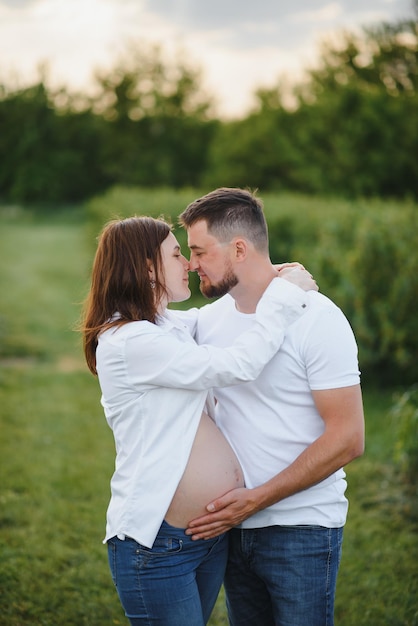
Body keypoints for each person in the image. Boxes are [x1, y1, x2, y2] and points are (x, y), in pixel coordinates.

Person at [80, 215, 316, 626]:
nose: (188, 263)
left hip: (203, 538)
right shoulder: (130, 341)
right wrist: (284, 299)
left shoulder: (163, 326)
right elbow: (236, 364)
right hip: (159, 545)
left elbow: (214, 316)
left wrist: (266, 276)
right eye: (176, 254)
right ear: (147, 268)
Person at [178, 187, 365, 626]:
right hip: (230, 532)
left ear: (238, 248)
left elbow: (348, 438)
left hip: (301, 530)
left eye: (199, 251)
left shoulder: (317, 318)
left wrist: (257, 499)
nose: (191, 264)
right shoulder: (208, 320)